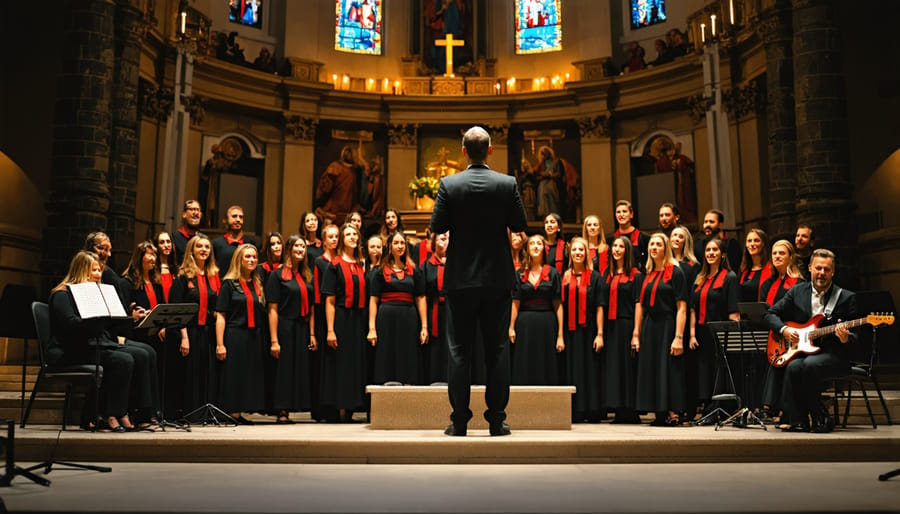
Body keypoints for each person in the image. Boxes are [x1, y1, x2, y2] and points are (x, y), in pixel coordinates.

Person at [430, 125, 528, 437]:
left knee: (459, 351)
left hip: (460, 279)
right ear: (489, 150)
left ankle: (459, 421)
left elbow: (438, 225)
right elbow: (520, 224)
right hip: (497, 278)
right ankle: (497, 421)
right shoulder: (506, 183)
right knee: (497, 349)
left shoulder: (449, 184)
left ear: (463, 151)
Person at [49, 251, 159, 432]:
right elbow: (70, 327)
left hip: (95, 343)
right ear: (82, 271)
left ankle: (135, 412)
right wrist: (95, 318)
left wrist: (128, 318)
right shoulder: (62, 295)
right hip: (71, 349)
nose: (99, 275)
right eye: (94, 270)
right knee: (124, 359)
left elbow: (107, 325)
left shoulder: (96, 293)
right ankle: (112, 413)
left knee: (142, 353)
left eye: (99, 270)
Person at [764, 249, 857, 433]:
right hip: (806, 350)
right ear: (810, 268)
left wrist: (846, 338)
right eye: (818, 268)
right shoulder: (798, 291)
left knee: (807, 365)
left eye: (826, 269)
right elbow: (770, 313)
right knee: (793, 366)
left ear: (833, 272)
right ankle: (798, 421)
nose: (822, 273)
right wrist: (785, 329)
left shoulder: (846, 298)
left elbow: (858, 339)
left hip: (834, 354)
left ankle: (819, 415)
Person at [633, 232, 688, 426]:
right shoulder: (647, 274)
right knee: (653, 368)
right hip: (650, 326)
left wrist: (679, 337)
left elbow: (682, 307)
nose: (654, 247)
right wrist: (636, 334)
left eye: (658, 244)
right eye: (651, 245)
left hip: (667, 324)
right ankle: (659, 411)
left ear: (665, 248)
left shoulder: (675, 272)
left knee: (668, 368)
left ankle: (674, 411)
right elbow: (641, 305)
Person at [687, 238, 740, 423]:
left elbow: (733, 311)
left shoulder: (729, 277)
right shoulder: (700, 278)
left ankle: (719, 409)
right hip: (701, 333)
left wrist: (732, 337)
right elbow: (693, 308)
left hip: (720, 333)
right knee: (705, 372)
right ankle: (709, 407)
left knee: (719, 372)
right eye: (708, 250)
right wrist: (692, 333)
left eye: (715, 250)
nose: (710, 253)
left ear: (723, 254)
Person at [169, 233, 221, 417]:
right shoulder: (183, 277)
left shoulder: (213, 276)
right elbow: (177, 309)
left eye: (207, 247)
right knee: (189, 374)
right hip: (188, 331)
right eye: (200, 246)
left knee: (206, 372)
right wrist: (184, 337)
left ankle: (204, 412)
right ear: (192, 249)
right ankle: (189, 413)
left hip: (208, 331)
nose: (204, 250)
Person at [265, 235, 316, 423]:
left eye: (303, 247)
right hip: (284, 326)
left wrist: (311, 333)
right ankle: (281, 410)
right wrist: (274, 340)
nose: (301, 250)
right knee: (283, 370)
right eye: (297, 246)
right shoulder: (277, 275)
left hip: (301, 327)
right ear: (289, 249)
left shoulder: (306, 275)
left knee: (297, 368)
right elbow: (272, 308)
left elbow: (311, 308)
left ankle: (293, 406)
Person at [321, 223, 368, 422]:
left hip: (358, 320)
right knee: (340, 364)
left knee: (355, 364)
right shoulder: (334, 264)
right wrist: (330, 330)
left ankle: (351, 407)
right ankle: (339, 409)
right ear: (342, 239)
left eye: (354, 234)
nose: (351, 237)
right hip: (341, 318)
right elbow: (329, 300)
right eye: (347, 234)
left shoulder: (360, 264)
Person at [367, 231, 428, 385]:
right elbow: (373, 300)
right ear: (390, 246)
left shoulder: (414, 270)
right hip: (385, 317)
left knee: (408, 354)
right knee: (386, 354)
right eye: (396, 243)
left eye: (402, 243)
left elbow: (420, 298)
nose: (400, 246)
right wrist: (372, 328)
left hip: (409, 317)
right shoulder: (379, 271)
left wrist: (424, 326)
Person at [215, 243, 266, 423]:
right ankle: (232, 413)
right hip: (235, 334)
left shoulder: (257, 284)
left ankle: (239, 412)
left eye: (254, 257)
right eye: (248, 257)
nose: (252, 260)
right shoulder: (229, 284)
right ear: (239, 259)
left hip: (254, 335)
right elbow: (221, 315)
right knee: (234, 374)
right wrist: (220, 344)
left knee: (247, 374)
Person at [756, 239, 804, 423]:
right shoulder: (768, 283)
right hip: (772, 332)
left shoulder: (798, 283)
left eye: (781, 253)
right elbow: (764, 310)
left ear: (791, 257)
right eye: (774, 253)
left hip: (792, 333)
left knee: (780, 364)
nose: (777, 256)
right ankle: (768, 407)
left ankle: (775, 408)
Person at [508, 235, 564, 385]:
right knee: (525, 360)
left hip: (547, 323)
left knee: (546, 362)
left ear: (544, 249)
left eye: (539, 243)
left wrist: (560, 335)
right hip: (524, 324)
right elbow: (515, 302)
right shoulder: (519, 273)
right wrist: (511, 327)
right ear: (526, 249)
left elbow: (558, 304)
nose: (535, 246)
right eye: (532, 243)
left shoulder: (552, 273)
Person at [561, 237, 605, 422]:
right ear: (570, 253)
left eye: (581, 250)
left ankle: (592, 410)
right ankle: (575, 411)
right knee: (572, 370)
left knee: (590, 370)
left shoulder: (595, 277)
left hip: (589, 331)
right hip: (570, 332)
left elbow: (599, 307)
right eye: (575, 250)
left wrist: (600, 334)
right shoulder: (564, 276)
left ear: (586, 253)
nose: (578, 253)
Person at [601, 237, 643, 424]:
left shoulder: (635, 275)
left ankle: (630, 410)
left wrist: (636, 332)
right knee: (614, 368)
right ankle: (618, 408)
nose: (616, 249)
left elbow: (638, 304)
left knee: (628, 367)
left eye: (620, 246)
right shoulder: (606, 274)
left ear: (627, 251)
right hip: (610, 327)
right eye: (614, 246)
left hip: (627, 324)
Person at [310, 223, 340, 422]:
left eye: (337, 236)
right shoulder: (319, 261)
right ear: (323, 239)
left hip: (339, 311)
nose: (334, 239)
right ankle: (321, 409)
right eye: (330, 236)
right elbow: (317, 292)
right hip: (322, 312)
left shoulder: (341, 260)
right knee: (323, 361)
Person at [422, 231, 450, 385]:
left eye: (446, 238)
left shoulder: (456, 263)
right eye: (440, 238)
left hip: (452, 309)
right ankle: (435, 379)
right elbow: (422, 294)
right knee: (435, 344)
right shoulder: (426, 265)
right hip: (434, 309)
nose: (442, 241)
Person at [315, 145, 365, 224]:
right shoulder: (335, 166)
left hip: (346, 208)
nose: (348, 155)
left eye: (350, 153)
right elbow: (325, 187)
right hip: (333, 208)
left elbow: (355, 191)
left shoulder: (354, 171)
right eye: (347, 153)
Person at [213, 205, 259, 274]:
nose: (238, 220)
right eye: (234, 216)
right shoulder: (216, 244)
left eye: (241, 217)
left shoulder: (250, 243)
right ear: (225, 220)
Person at [612, 200, 649, 272]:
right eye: (618, 212)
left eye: (624, 211)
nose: (621, 214)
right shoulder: (611, 240)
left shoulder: (644, 238)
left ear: (631, 214)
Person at [739, 228, 772, 302]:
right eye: (749, 241)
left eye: (756, 241)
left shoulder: (771, 269)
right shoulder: (744, 270)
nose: (752, 244)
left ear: (763, 244)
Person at [670, 226, 700, 291]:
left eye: (680, 237)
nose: (676, 239)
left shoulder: (693, 265)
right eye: (674, 235)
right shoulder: (664, 262)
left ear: (685, 242)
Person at [156, 232, 177, 302]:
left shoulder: (175, 268)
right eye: (162, 242)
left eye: (168, 242)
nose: (166, 245)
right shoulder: (153, 267)